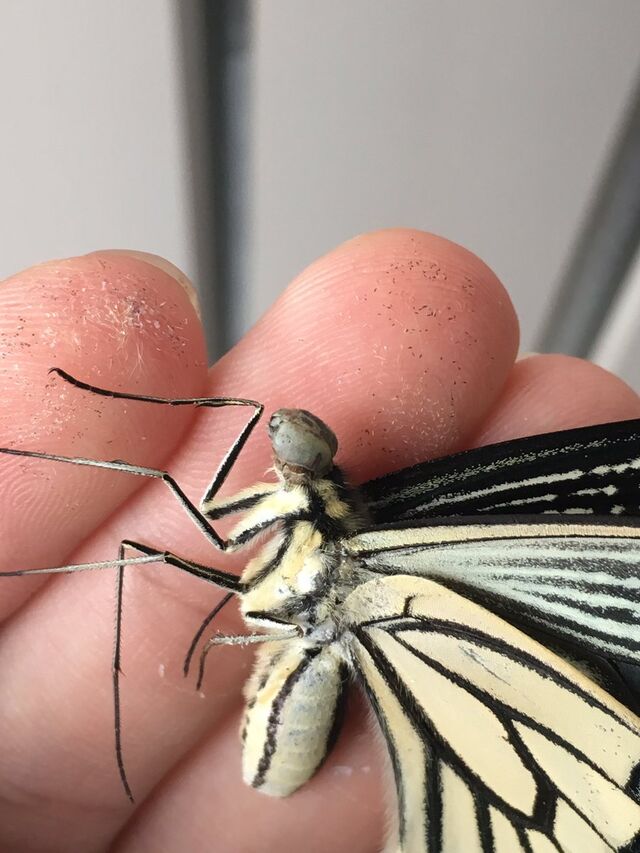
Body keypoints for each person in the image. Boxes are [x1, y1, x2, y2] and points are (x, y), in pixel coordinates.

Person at [0, 229, 638, 852]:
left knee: (160, 499)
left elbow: (210, 521)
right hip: (351, 654)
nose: (274, 436)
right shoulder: (336, 526)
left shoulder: (348, 541)